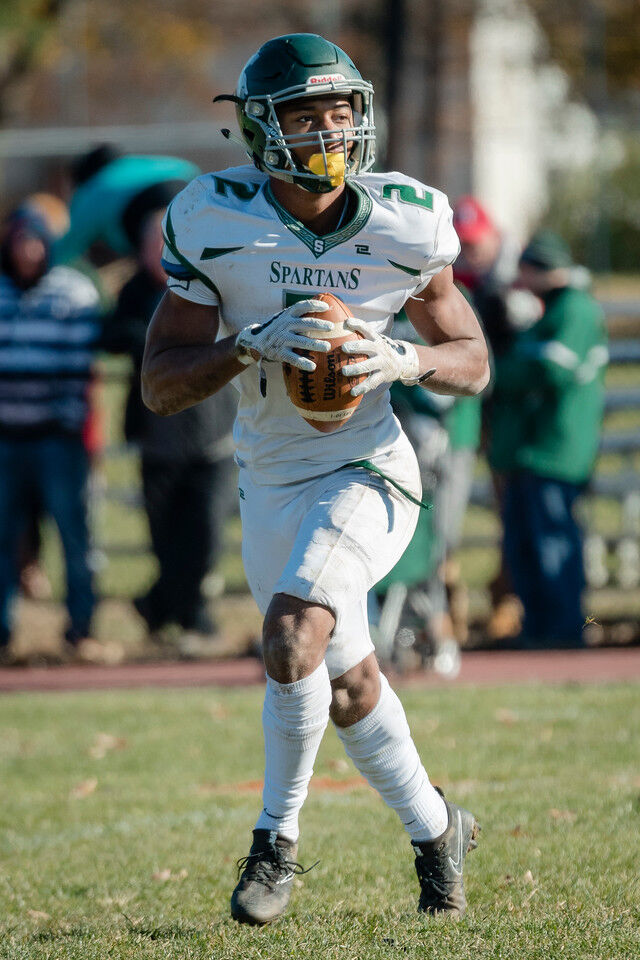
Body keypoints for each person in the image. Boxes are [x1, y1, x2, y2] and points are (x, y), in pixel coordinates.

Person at [142, 34, 489, 923]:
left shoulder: (407, 219)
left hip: (370, 466)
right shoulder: (215, 218)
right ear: (261, 131)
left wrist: (402, 358)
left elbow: (474, 359)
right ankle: (438, 831)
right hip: (271, 475)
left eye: (341, 112)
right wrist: (243, 346)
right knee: (346, 687)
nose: (330, 131)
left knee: (292, 635)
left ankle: (275, 845)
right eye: (305, 115)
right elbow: (159, 382)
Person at [103, 188, 237, 652]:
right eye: (153, 242)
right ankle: (179, 618)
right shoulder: (134, 295)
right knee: (164, 542)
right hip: (157, 439)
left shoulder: (214, 285)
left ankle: (172, 611)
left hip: (213, 438)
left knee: (203, 537)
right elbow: (111, 337)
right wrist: (153, 339)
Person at [488, 230, 608, 648]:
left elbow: (552, 370)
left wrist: (498, 371)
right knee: (525, 545)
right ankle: (538, 629)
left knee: (554, 544)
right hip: (530, 451)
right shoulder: (547, 310)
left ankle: (564, 631)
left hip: (556, 450)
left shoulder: (575, 308)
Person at [0, 206, 102, 662]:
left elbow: (77, 368)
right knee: (4, 539)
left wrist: (62, 419)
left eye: (36, 240)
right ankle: (3, 634)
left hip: (57, 440)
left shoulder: (73, 293)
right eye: (20, 239)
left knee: (74, 537)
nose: (28, 249)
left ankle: (80, 630)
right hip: (6, 439)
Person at [54, 144, 200, 265]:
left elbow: (66, 247)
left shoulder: (93, 190)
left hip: (156, 215)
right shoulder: (134, 165)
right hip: (192, 185)